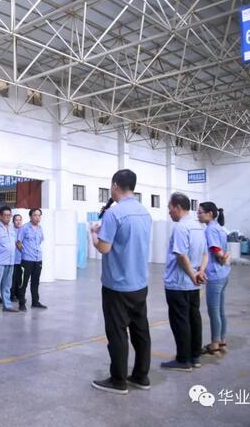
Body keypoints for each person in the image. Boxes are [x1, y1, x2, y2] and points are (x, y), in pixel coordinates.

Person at [89, 169, 152, 395]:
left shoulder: (114, 214)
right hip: (140, 283)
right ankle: (141, 376)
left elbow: (104, 248)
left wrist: (93, 234)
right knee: (140, 331)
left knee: (117, 333)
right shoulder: (144, 212)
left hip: (117, 285)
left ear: (115, 185)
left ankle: (118, 380)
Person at [161, 192, 208, 372]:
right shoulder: (198, 227)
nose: (169, 212)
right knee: (193, 318)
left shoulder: (181, 227)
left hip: (179, 282)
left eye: (170, 208)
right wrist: (200, 272)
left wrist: (192, 275)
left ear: (178, 207)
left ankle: (183, 360)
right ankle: (195, 356)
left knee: (180, 320)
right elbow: (205, 254)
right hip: (192, 284)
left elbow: (181, 256)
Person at [197, 202, 231, 356]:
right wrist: (224, 259)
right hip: (224, 274)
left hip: (215, 275)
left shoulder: (210, 229)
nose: (198, 215)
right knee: (221, 310)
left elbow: (215, 249)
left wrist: (221, 257)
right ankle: (222, 342)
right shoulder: (220, 228)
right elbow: (225, 249)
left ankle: (214, 345)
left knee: (214, 311)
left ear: (210, 213)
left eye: (200, 212)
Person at [17, 208, 47, 311]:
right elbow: (18, 243)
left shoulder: (40, 228)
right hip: (27, 260)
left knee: (35, 282)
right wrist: (25, 253)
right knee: (23, 282)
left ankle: (35, 302)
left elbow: (39, 241)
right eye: (35, 215)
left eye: (39, 215)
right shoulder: (24, 228)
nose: (37, 217)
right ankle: (21, 303)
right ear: (30, 216)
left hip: (38, 259)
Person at [11, 214, 23, 303]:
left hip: (21, 259)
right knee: (12, 279)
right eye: (16, 220)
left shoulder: (23, 230)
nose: (18, 222)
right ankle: (12, 296)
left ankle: (19, 295)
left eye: (20, 220)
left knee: (20, 279)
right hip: (13, 259)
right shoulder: (12, 231)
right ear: (13, 221)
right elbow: (17, 244)